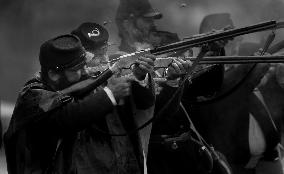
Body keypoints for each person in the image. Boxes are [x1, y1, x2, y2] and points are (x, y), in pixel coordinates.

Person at [4, 33, 157, 174]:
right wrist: (110, 95)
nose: (85, 72)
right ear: (53, 74)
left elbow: (81, 92)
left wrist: (137, 75)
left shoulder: (70, 85)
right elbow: (69, 116)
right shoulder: (32, 95)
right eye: (77, 69)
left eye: (84, 65)